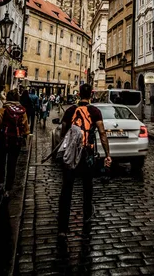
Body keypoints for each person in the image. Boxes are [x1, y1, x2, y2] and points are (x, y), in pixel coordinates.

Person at [57, 83, 112, 238]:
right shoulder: (94, 111)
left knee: (67, 189)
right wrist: (107, 154)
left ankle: (62, 227)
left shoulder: (70, 110)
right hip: (87, 153)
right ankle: (87, 217)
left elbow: (63, 132)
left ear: (79, 94)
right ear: (91, 95)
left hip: (71, 154)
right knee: (87, 186)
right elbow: (102, 133)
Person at [0, 89, 29, 198]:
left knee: (1, 162)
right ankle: (8, 189)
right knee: (12, 164)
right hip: (15, 141)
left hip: (3, 139)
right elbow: (26, 129)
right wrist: (23, 141)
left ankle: (0, 184)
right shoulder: (22, 111)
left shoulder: (3, 109)